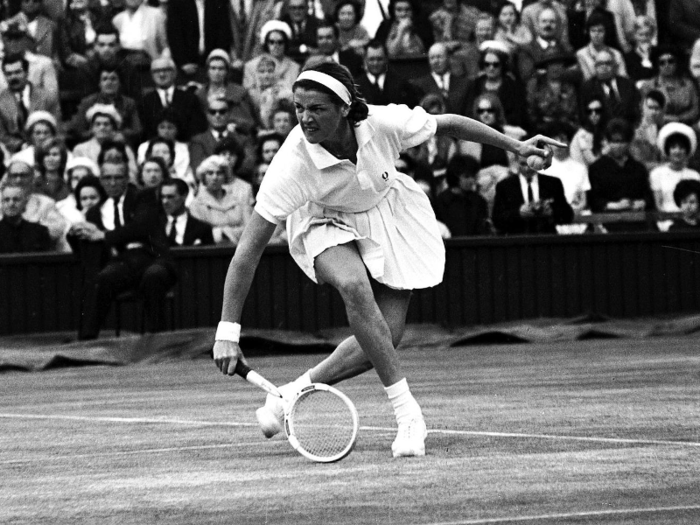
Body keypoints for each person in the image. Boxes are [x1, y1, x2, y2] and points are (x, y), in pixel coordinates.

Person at [211, 62, 562, 458]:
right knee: (353, 284)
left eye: (317, 109)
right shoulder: (291, 164)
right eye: (298, 108)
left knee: (385, 337)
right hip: (323, 221)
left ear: (344, 108)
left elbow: (449, 123)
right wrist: (228, 330)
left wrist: (516, 146)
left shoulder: (384, 122)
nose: (305, 118)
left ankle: (290, 393)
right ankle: (408, 414)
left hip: (387, 214)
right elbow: (247, 252)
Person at [69, 158, 176, 340]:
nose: (112, 182)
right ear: (101, 180)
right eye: (107, 177)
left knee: (154, 275)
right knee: (101, 278)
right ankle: (86, 341)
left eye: (118, 177)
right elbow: (87, 241)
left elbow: (140, 227)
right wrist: (76, 232)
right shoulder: (95, 211)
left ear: (127, 178)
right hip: (122, 265)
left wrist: (104, 235)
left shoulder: (144, 197)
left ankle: (159, 341)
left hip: (152, 258)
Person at [587, 117, 655, 232]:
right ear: (608, 142)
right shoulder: (597, 168)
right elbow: (594, 200)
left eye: (622, 141)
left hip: (636, 222)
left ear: (628, 142)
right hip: (608, 222)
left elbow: (648, 197)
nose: (618, 146)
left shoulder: (638, 168)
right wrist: (615, 205)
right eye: (614, 141)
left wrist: (641, 203)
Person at [492, 147, 574, 235]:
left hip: (547, 240)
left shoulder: (553, 184)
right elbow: (497, 219)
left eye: (531, 164)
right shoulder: (505, 186)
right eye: (523, 164)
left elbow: (568, 216)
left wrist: (552, 211)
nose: (527, 169)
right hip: (517, 241)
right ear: (515, 161)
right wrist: (518, 213)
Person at [0, 53, 61, 154]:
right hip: (14, 152)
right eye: (9, 74)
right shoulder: (1, 102)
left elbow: (57, 128)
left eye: (17, 72)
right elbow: (1, 135)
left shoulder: (46, 97)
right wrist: (22, 146)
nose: (13, 77)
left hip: (47, 150)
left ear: (27, 72)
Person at [189, 154, 253, 244]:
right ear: (203, 177)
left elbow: (249, 230)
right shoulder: (196, 205)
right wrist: (228, 233)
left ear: (225, 177)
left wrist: (223, 233)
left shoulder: (238, 201)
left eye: (219, 173)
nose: (215, 177)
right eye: (210, 173)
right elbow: (200, 234)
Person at [649, 122, 700, 231]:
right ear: (668, 150)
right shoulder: (657, 173)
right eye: (673, 147)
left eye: (681, 148)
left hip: (691, 222)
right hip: (666, 223)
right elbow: (659, 205)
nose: (677, 151)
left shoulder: (694, 175)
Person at [639, 46, 699, 127]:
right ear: (657, 65)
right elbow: (645, 111)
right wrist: (666, 119)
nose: (667, 65)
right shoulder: (648, 86)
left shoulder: (688, 84)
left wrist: (679, 119)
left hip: (687, 125)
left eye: (670, 61)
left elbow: (695, 109)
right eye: (662, 63)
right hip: (657, 126)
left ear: (676, 63)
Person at [433, 154, 491, 237]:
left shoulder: (479, 201)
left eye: (473, 176)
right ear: (455, 176)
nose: (472, 181)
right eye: (466, 176)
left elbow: (482, 230)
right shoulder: (440, 202)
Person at [354, 39, 418, 107]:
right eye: (371, 59)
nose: (375, 63)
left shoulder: (401, 84)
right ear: (365, 60)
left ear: (386, 59)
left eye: (379, 59)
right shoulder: (357, 87)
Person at [243, 21, 301, 92]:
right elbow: (250, 92)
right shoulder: (251, 66)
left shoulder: (295, 68)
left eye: (280, 42)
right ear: (266, 43)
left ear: (286, 43)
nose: (276, 46)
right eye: (271, 42)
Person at [0, 182, 52, 253]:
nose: (11, 204)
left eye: (16, 199)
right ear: (2, 203)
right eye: (6, 200)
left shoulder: (39, 232)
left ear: (25, 203)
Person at [161, 178, 214, 246]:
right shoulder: (154, 226)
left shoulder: (202, 228)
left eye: (170, 197)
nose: (165, 201)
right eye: (163, 197)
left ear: (184, 196)